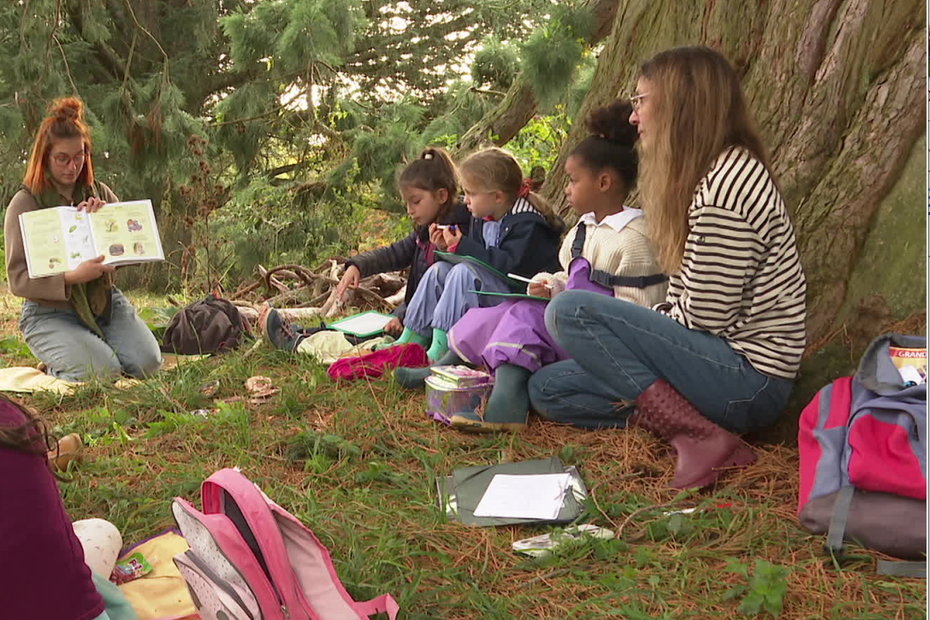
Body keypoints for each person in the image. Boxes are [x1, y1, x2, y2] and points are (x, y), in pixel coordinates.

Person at [528, 46, 807, 489]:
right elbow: (689, 311)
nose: (634, 117)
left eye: (641, 101)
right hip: (713, 363)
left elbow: (706, 319)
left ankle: (692, 433)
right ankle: (692, 420)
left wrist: (632, 337)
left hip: (747, 379)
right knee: (549, 389)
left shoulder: (725, 189)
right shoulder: (708, 175)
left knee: (570, 311)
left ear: (681, 104)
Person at [395, 100, 667, 432]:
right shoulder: (583, 230)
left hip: (599, 342)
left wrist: (574, 311)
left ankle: (507, 402)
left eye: (572, 180)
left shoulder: (633, 239)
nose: (565, 189)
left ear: (604, 183)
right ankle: (444, 367)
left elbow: (640, 315)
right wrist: (549, 285)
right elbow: (565, 276)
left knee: (522, 315)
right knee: (502, 311)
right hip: (570, 324)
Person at [4, 97, 162, 382]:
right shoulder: (24, 204)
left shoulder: (97, 191)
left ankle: (88, 350)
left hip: (103, 302)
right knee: (103, 372)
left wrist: (103, 225)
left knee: (147, 363)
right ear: (45, 158)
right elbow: (18, 280)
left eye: (79, 156)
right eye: (62, 158)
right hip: (49, 313)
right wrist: (70, 277)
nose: (72, 166)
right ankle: (59, 363)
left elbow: (132, 246)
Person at [261, 147, 471, 351]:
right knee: (364, 328)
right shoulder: (425, 231)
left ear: (442, 196)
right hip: (412, 319)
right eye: (406, 203)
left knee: (368, 341)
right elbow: (393, 253)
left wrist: (403, 316)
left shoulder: (459, 234)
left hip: (431, 330)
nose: (409, 210)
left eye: (415, 201)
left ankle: (298, 343)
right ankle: (302, 333)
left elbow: (441, 295)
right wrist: (358, 265)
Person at [395, 147, 563, 361]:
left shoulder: (527, 222)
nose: (466, 200)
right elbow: (480, 257)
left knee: (463, 274)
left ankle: (442, 346)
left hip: (518, 300)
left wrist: (464, 246)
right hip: (494, 290)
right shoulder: (483, 215)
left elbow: (510, 267)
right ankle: (412, 337)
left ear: (498, 197)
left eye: (472, 194)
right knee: (439, 270)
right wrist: (447, 248)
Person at [0, 395, 137, 620]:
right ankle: (51, 458)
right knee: (99, 531)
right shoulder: (10, 418)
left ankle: (51, 459)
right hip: (71, 604)